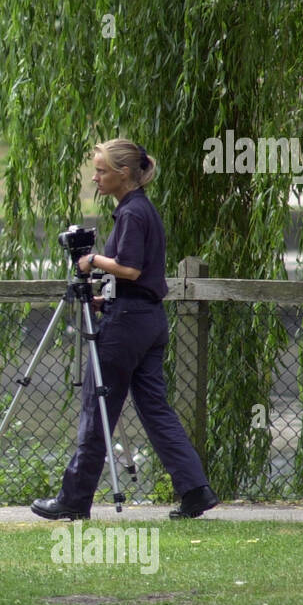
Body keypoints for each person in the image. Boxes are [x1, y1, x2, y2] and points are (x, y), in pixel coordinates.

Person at [31, 138, 218, 521]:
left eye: (101, 171)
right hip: (148, 320)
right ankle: (196, 490)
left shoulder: (132, 213)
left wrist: (90, 261)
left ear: (123, 174)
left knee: (97, 408)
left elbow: (130, 268)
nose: (96, 177)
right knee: (155, 409)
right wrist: (107, 299)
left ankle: (74, 499)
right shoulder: (141, 210)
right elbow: (138, 277)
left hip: (127, 326)